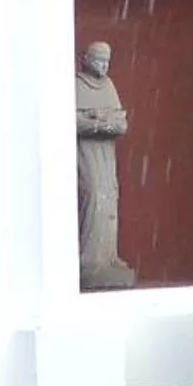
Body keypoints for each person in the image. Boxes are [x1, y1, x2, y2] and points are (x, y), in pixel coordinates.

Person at [74, 41, 137, 289]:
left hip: (106, 154)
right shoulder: (77, 85)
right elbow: (72, 121)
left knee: (109, 196)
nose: (103, 66)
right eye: (99, 60)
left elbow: (121, 123)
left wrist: (98, 120)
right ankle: (89, 261)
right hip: (86, 153)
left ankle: (107, 257)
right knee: (93, 196)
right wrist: (99, 123)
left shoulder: (109, 86)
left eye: (107, 61)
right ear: (87, 59)